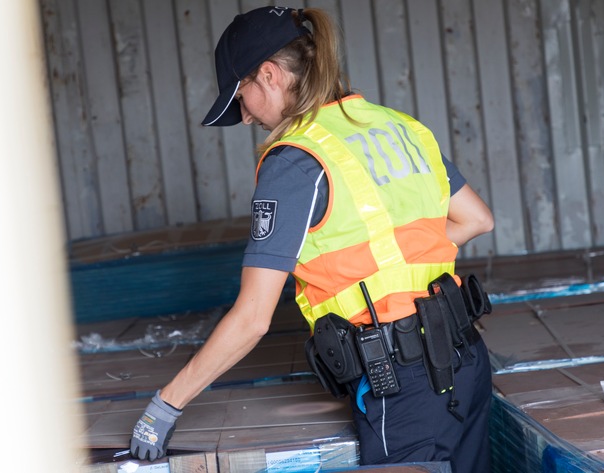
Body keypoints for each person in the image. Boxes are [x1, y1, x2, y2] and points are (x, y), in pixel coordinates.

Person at [130, 6, 495, 472]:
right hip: (465, 357)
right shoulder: (398, 126)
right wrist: (395, 269)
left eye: (241, 98)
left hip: (403, 381)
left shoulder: (295, 160)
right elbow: (477, 219)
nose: (245, 119)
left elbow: (252, 319)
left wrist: (166, 405)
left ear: (269, 75)